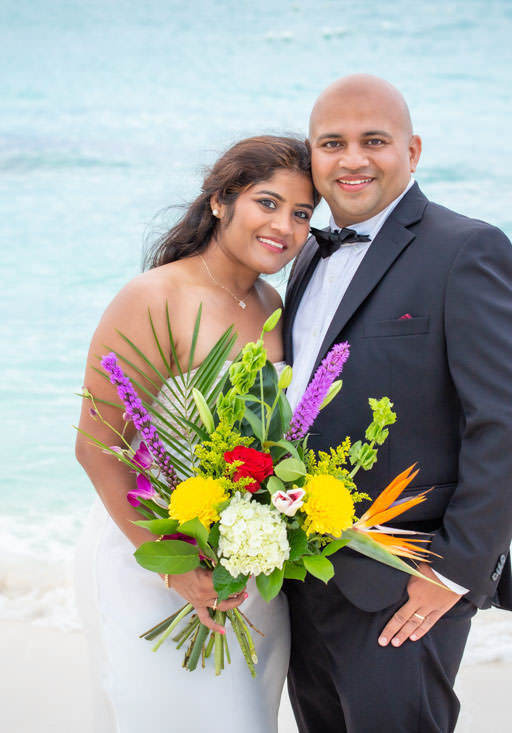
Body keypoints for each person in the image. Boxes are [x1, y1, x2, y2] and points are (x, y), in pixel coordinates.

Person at [282, 75, 512, 732]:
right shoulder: (305, 254)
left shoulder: (464, 249)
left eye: (374, 141)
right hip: (300, 573)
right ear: (312, 156)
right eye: (332, 143)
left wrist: (454, 570)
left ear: (413, 150)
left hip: (403, 585)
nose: (352, 159)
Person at [73, 135, 316, 732]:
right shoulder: (156, 296)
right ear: (219, 201)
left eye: (302, 213)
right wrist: (175, 568)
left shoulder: (272, 303)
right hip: (150, 558)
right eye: (267, 202)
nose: (284, 226)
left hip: (245, 571)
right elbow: (98, 447)